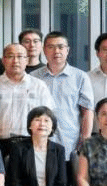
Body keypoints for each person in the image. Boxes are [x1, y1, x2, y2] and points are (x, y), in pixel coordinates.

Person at [0, 44, 55, 160]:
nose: (15, 61)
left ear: (26, 60)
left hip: (30, 143)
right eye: (10, 56)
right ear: (3, 60)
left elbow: (47, 117)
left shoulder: (39, 86)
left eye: (20, 57)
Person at [32, 31, 93, 161]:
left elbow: (87, 111)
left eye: (60, 47)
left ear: (67, 50)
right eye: (51, 47)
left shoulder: (80, 77)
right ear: (44, 50)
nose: (56, 51)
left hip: (70, 143)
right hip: (38, 142)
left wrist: (85, 140)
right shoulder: (33, 77)